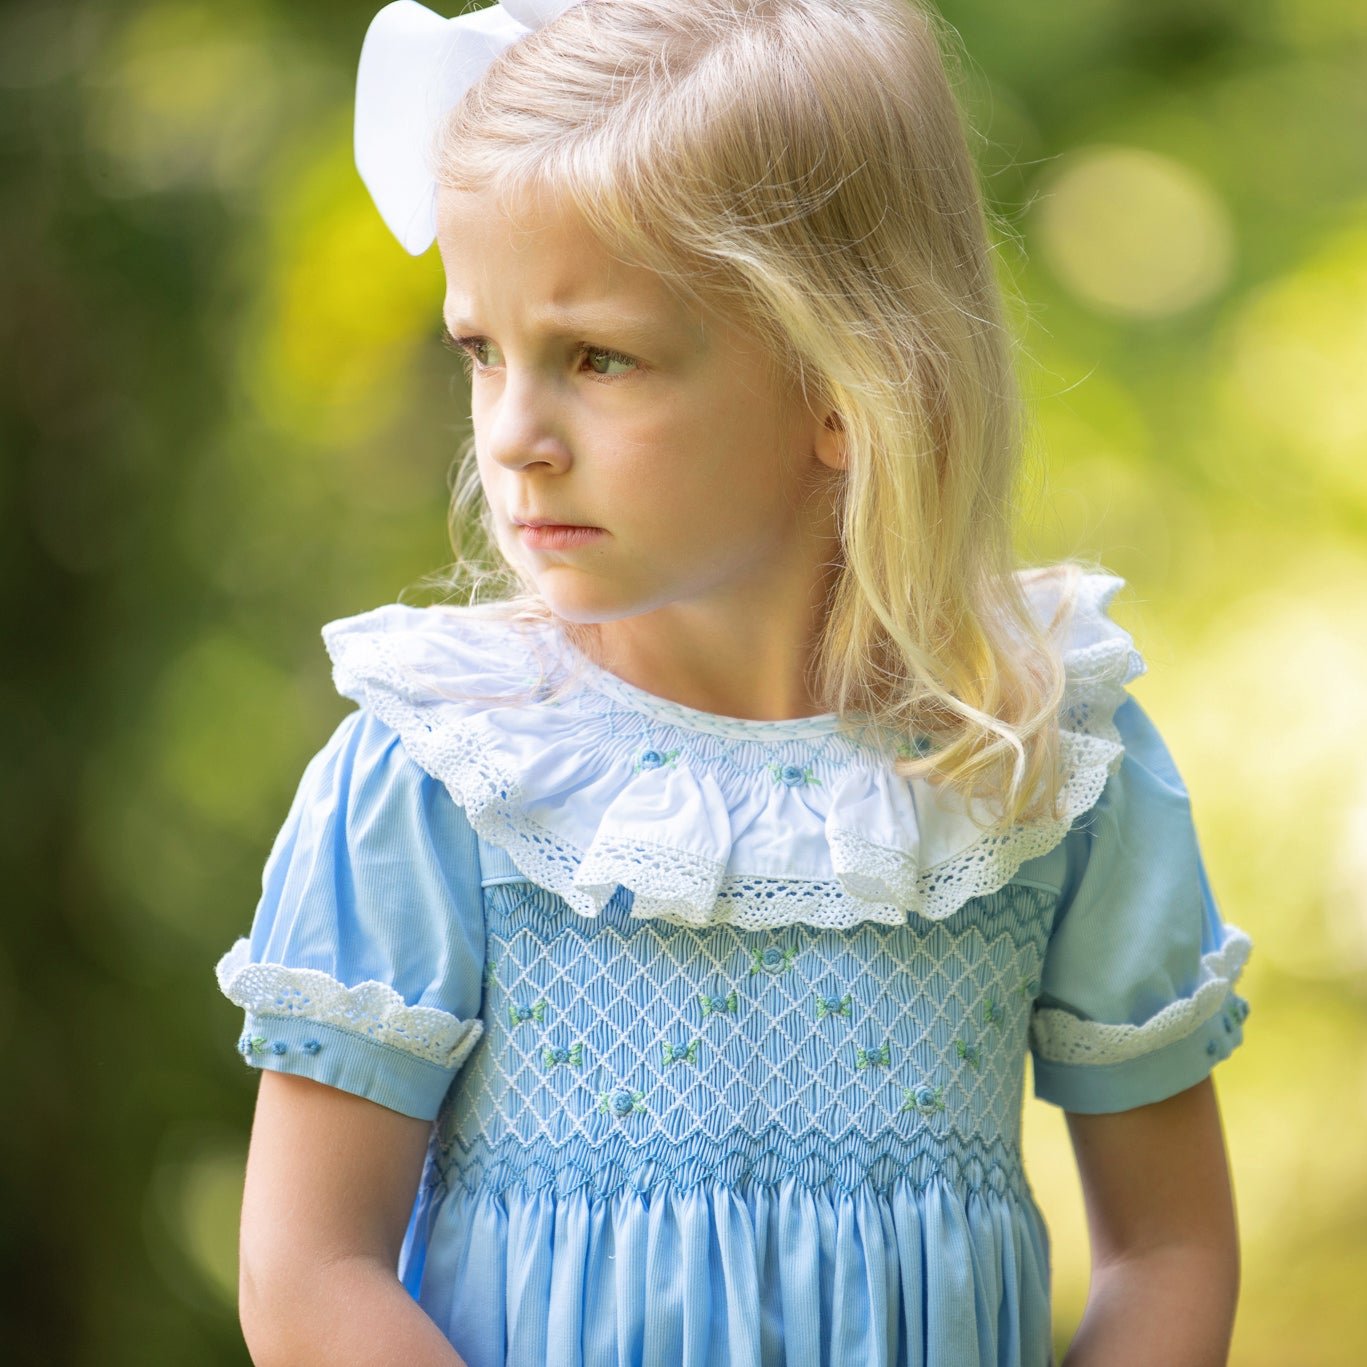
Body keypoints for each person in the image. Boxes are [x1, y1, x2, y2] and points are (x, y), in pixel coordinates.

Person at [215, 1, 1253, 1363]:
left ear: (849, 384)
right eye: (483, 351)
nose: (516, 434)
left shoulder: (1035, 755)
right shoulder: (449, 773)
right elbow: (307, 1271)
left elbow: (1170, 1248)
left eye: (598, 357)